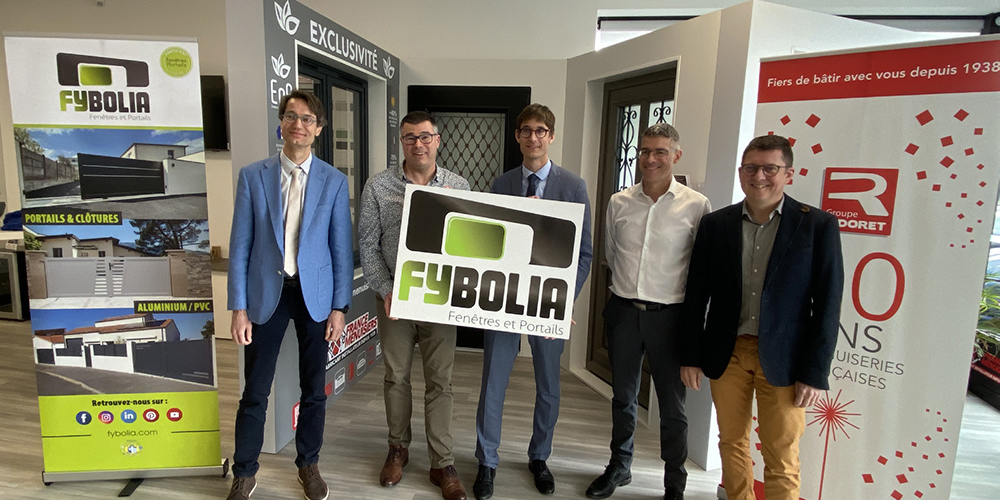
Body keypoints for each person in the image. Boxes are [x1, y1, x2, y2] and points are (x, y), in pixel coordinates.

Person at [680, 135, 844, 500]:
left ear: (789, 174)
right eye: (751, 168)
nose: (759, 176)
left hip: (786, 359)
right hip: (728, 353)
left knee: (781, 454)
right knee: (731, 442)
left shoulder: (817, 226)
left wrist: (814, 372)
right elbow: (696, 294)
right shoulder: (716, 224)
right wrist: (690, 355)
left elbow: (828, 305)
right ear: (741, 172)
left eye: (770, 168)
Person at [226, 90, 354, 500]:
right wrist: (238, 307)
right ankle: (244, 472)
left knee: (314, 389)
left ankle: (308, 465)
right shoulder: (253, 176)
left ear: (319, 128)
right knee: (255, 391)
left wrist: (339, 307)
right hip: (267, 294)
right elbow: (240, 245)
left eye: (307, 118)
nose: (298, 124)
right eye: (291, 116)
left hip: (315, 297)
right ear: (281, 123)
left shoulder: (334, 181)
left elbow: (340, 249)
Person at [472, 103, 593, 500]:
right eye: (526, 130)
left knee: (548, 385)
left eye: (541, 130)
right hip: (505, 300)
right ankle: (487, 460)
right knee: (493, 383)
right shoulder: (501, 184)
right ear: (518, 136)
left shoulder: (572, 187)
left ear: (551, 136)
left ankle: (539, 457)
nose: (533, 137)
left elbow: (584, 252)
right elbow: (489, 244)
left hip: (548, 304)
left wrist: (565, 301)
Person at [586, 123, 710, 500]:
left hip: (670, 318)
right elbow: (611, 254)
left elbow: (701, 270)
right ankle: (619, 465)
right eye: (644, 151)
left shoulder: (696, 206)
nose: (651, 158)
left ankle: (674, 482)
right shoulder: (619, 202)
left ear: (676, 155)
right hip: (624, 313)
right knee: (623, 398)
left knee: (672, 407)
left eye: (660, 151)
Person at [358, 111, 470, 500]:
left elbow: (468, 243)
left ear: (437, 140)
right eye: (410, 137)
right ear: (400, 142)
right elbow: (368, 244)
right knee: (396, 377)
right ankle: (397, 449)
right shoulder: (378, 186)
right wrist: (387, 290)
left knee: (441, 381)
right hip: (395, 300)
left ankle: (443, 463)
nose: (418, 144)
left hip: (439, 300)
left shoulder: (459, 186)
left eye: (425, 137)